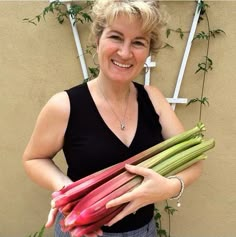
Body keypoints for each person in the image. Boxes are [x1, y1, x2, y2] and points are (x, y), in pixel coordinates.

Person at [22, 0, 203, 236]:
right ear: (98, 40)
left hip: (143, 232)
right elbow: (34, 159)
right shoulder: (64, 105)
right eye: (116, 37)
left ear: (148, 51)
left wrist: (170, 187)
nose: (125, 52)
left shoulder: (153, 99)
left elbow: (194, 160)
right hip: (83, 230)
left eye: (138, 42)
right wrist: (70, 192)